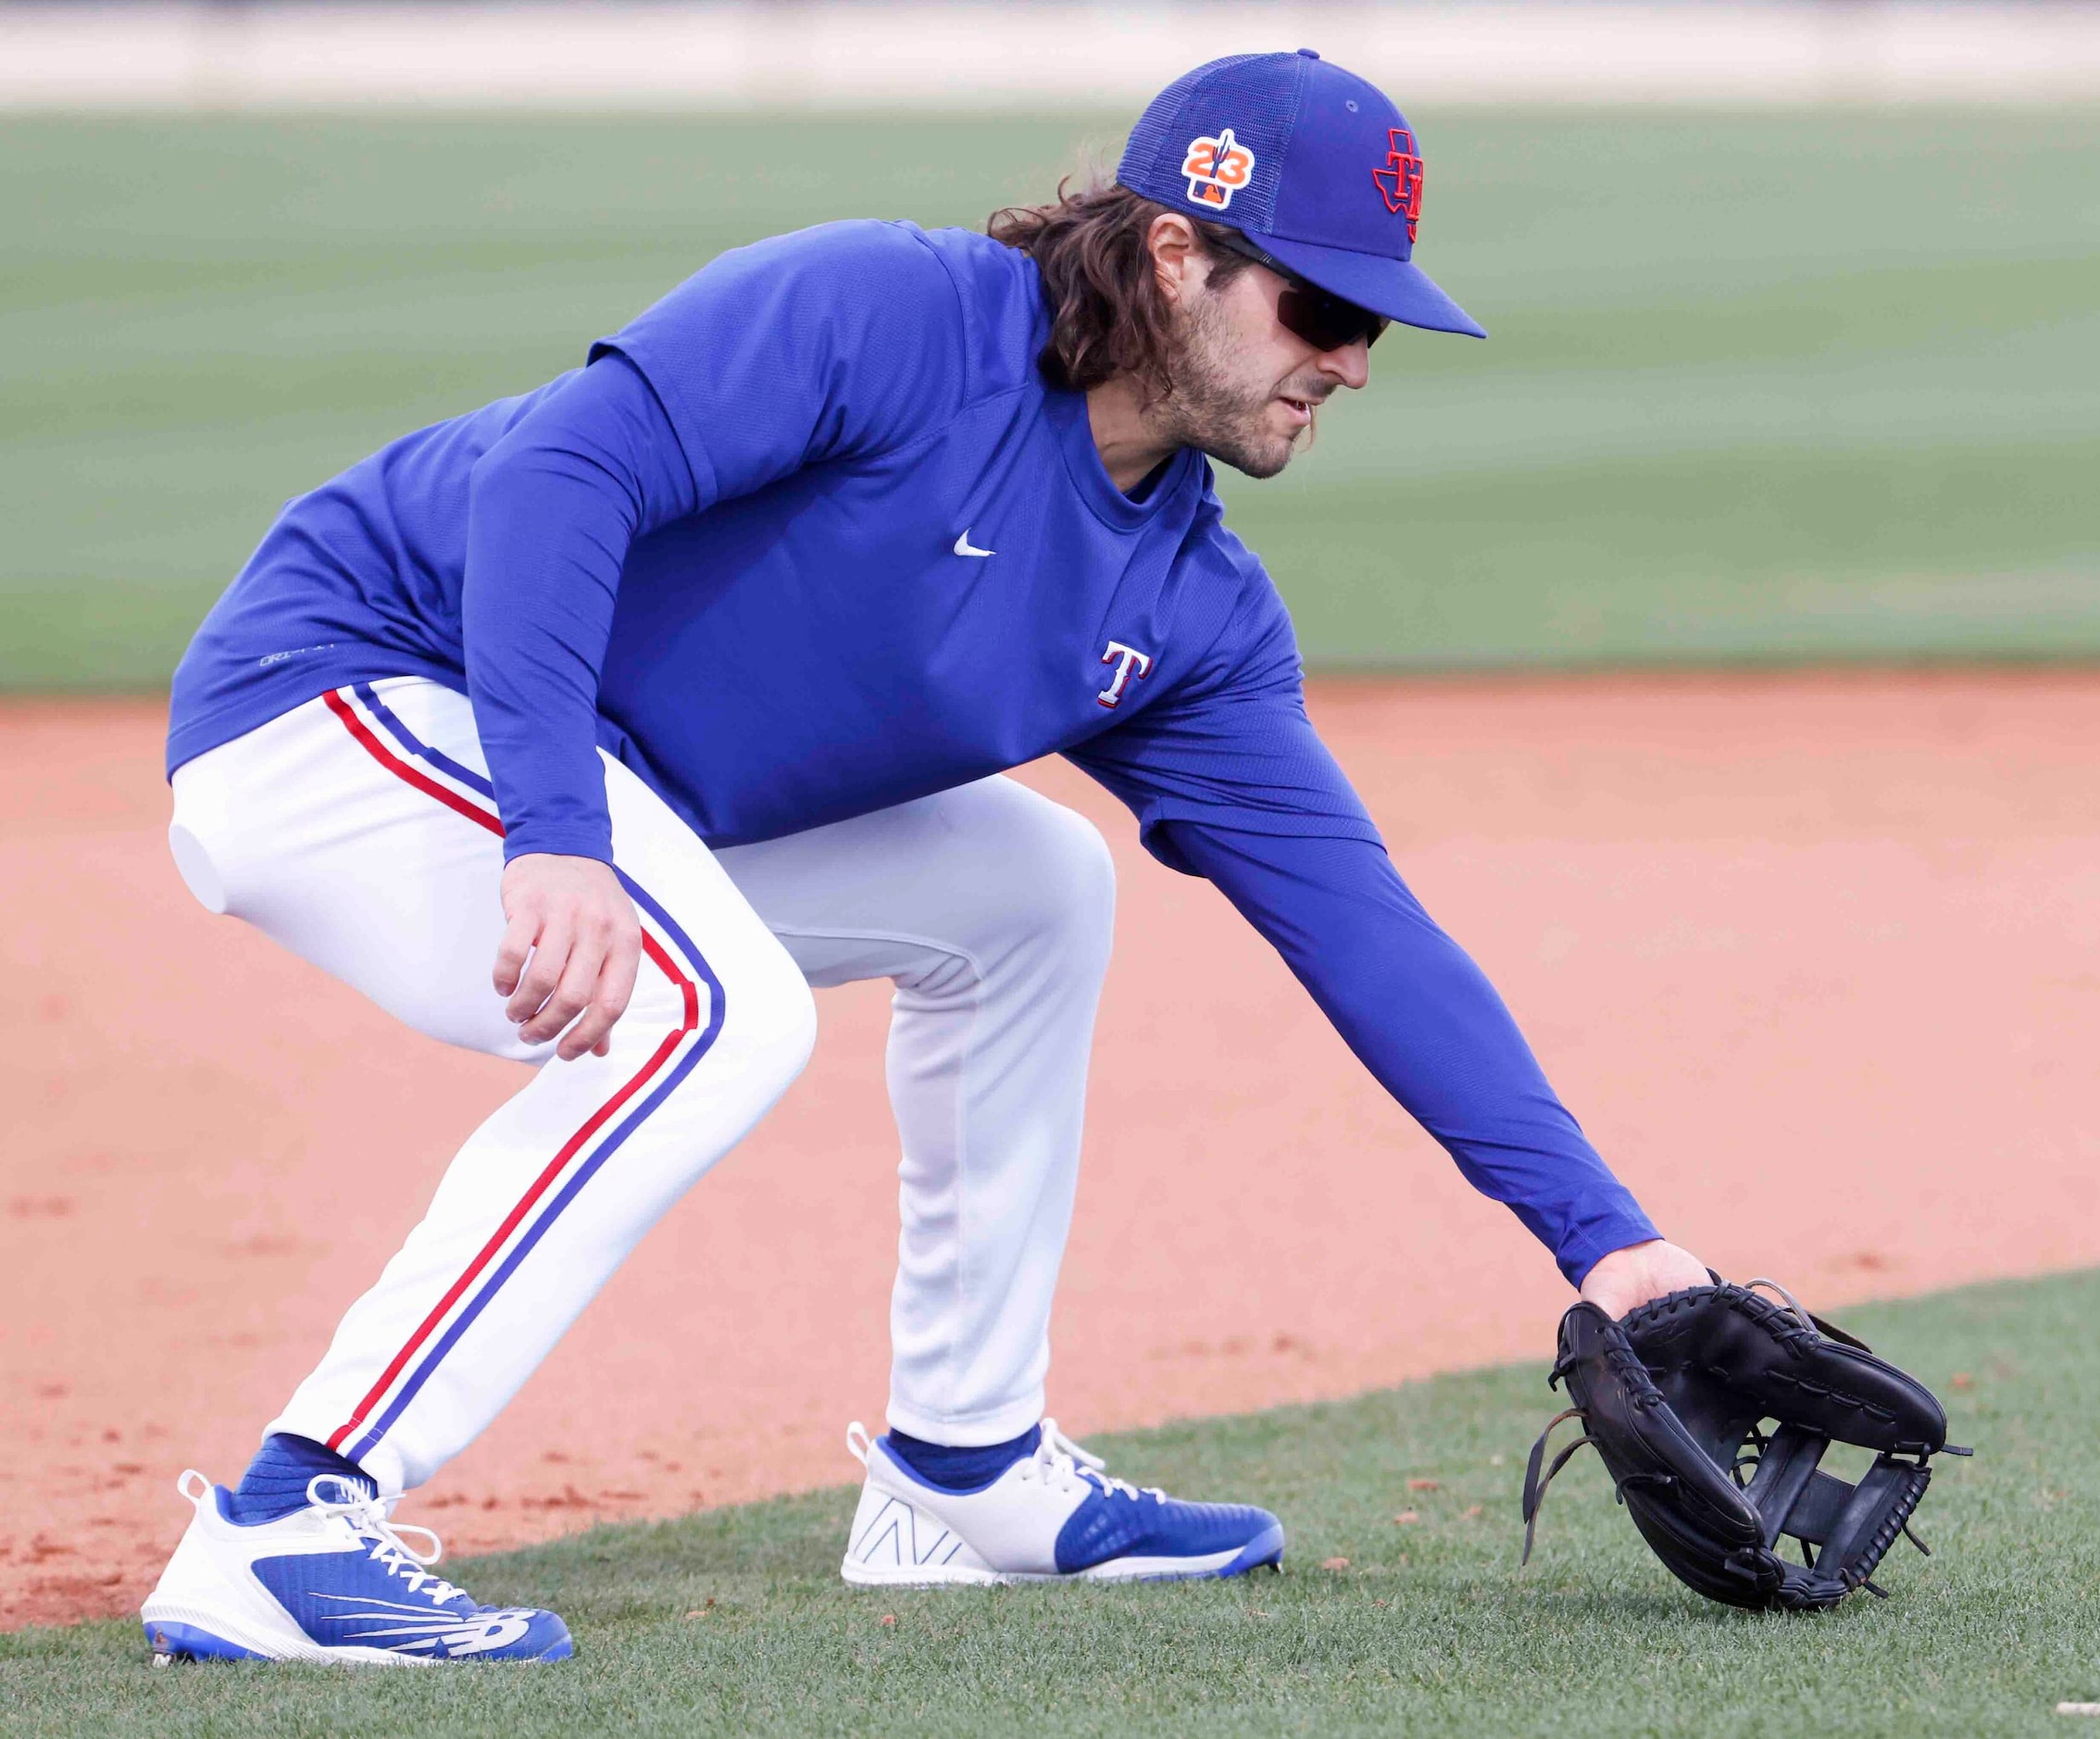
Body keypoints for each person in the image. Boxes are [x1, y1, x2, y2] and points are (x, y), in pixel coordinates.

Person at [140, 48, 1708, 1665]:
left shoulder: (1187, 611)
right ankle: (289, 1514)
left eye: (1375, 326)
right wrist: (552, 827)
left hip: (595, 776)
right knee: (721, 1011)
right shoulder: (897, 314)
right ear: (1179, 256)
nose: (1355, 364)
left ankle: (963, 1469)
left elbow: (1364, 929)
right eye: (1323, 309)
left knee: (1035, 890)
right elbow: (561, 470)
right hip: (351, 688)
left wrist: (1619, 1248)